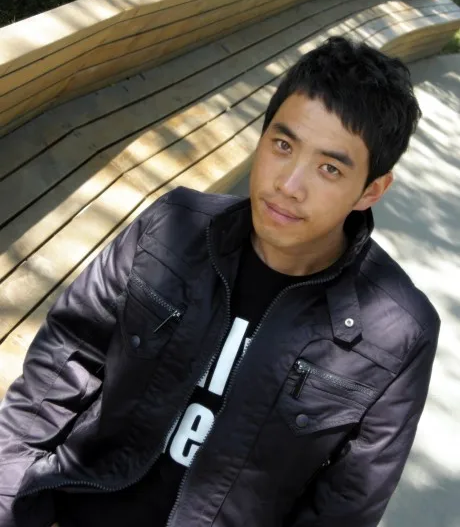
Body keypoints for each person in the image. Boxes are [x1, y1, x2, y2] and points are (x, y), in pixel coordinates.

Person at [0, 36, 439, 527]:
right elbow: (60, 367)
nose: (288, 185)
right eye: (282, 145)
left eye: (329, 168)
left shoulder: (398, 336)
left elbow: (342, 510)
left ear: (371, 191)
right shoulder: (171, 228)